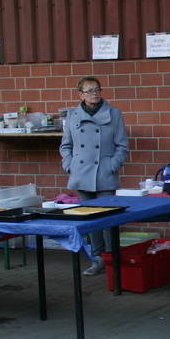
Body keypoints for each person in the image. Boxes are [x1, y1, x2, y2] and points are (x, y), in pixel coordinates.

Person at [59, 77, 129, 276]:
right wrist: (70, 165)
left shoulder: (114, 113)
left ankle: (112, 259)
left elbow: (122, 145)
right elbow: (65, 145)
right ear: (81, 94)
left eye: (97, 89)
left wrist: (112, 165)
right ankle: (98, 259)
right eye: (89, 91)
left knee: (108, 218)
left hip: (104, 173)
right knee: (90, 219)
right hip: (81, 174)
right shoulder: (72, 114)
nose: (94, 94)